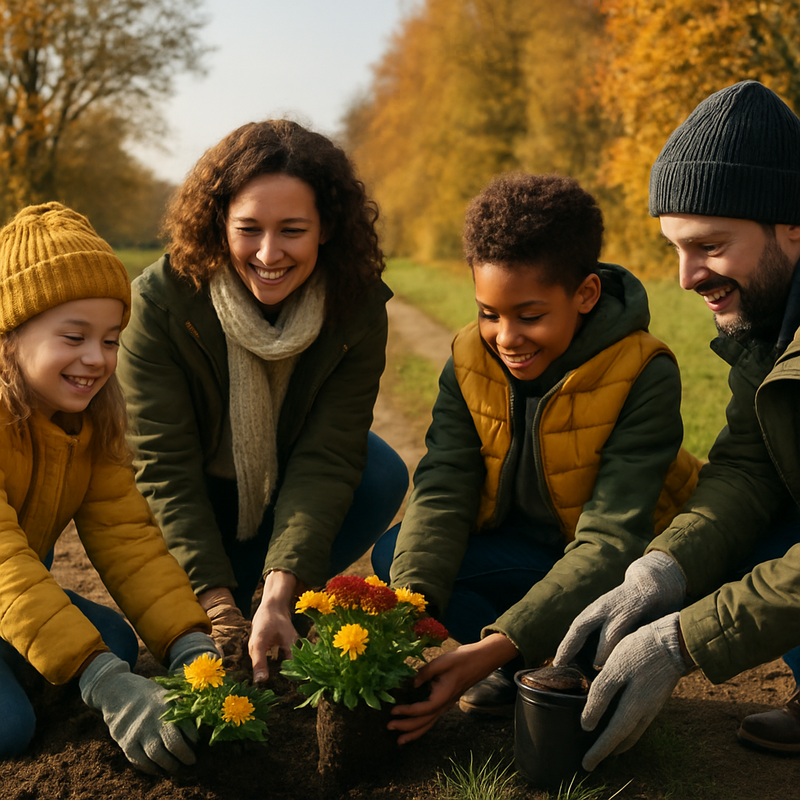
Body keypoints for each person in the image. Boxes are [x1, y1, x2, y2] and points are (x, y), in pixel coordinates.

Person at [371, 172, 701, 743]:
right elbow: (444, 483)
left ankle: (562, 664)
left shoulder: (645, 370)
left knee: (595, 612)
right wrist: (410, 614)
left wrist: (494, 642)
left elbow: (610, 542)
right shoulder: (468, 357)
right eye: (489, 313)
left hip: (625, 573)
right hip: (530, 553)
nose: (505, 337)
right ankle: (525, 664)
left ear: (586, 295)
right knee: (399, 555)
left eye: (529, 316)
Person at [555, 80, 800, 771]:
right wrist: (661, 571)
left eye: (712, 246)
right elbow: (751, 467)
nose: (688, 277)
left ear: (793, 224)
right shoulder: (770, 319)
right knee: (755, 526)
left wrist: (682, 642)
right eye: (676, 248)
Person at [117, 120, 408, 685]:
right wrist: (218, 605)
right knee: (205, 612)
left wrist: (281, 591)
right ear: (219, 224)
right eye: (248, 229)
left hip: (278, 490)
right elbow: (162, 466)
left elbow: (328, 455)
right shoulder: (159, 304)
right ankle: (214, 595)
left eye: (292, 230)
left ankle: (271, 592)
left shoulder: (357, 307)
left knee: (378, 471)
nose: (269, 253)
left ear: (326, 228)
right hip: (182, 503)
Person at [0, 203, 218, 773]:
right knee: (11, 726)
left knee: (116, 646)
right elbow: (4, 565)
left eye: (111, 339)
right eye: (74, 337)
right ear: (10, 334)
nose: (96, 360)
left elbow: (130, 541)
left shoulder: (90, 423)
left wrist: (189, 647)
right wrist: (99, 681)